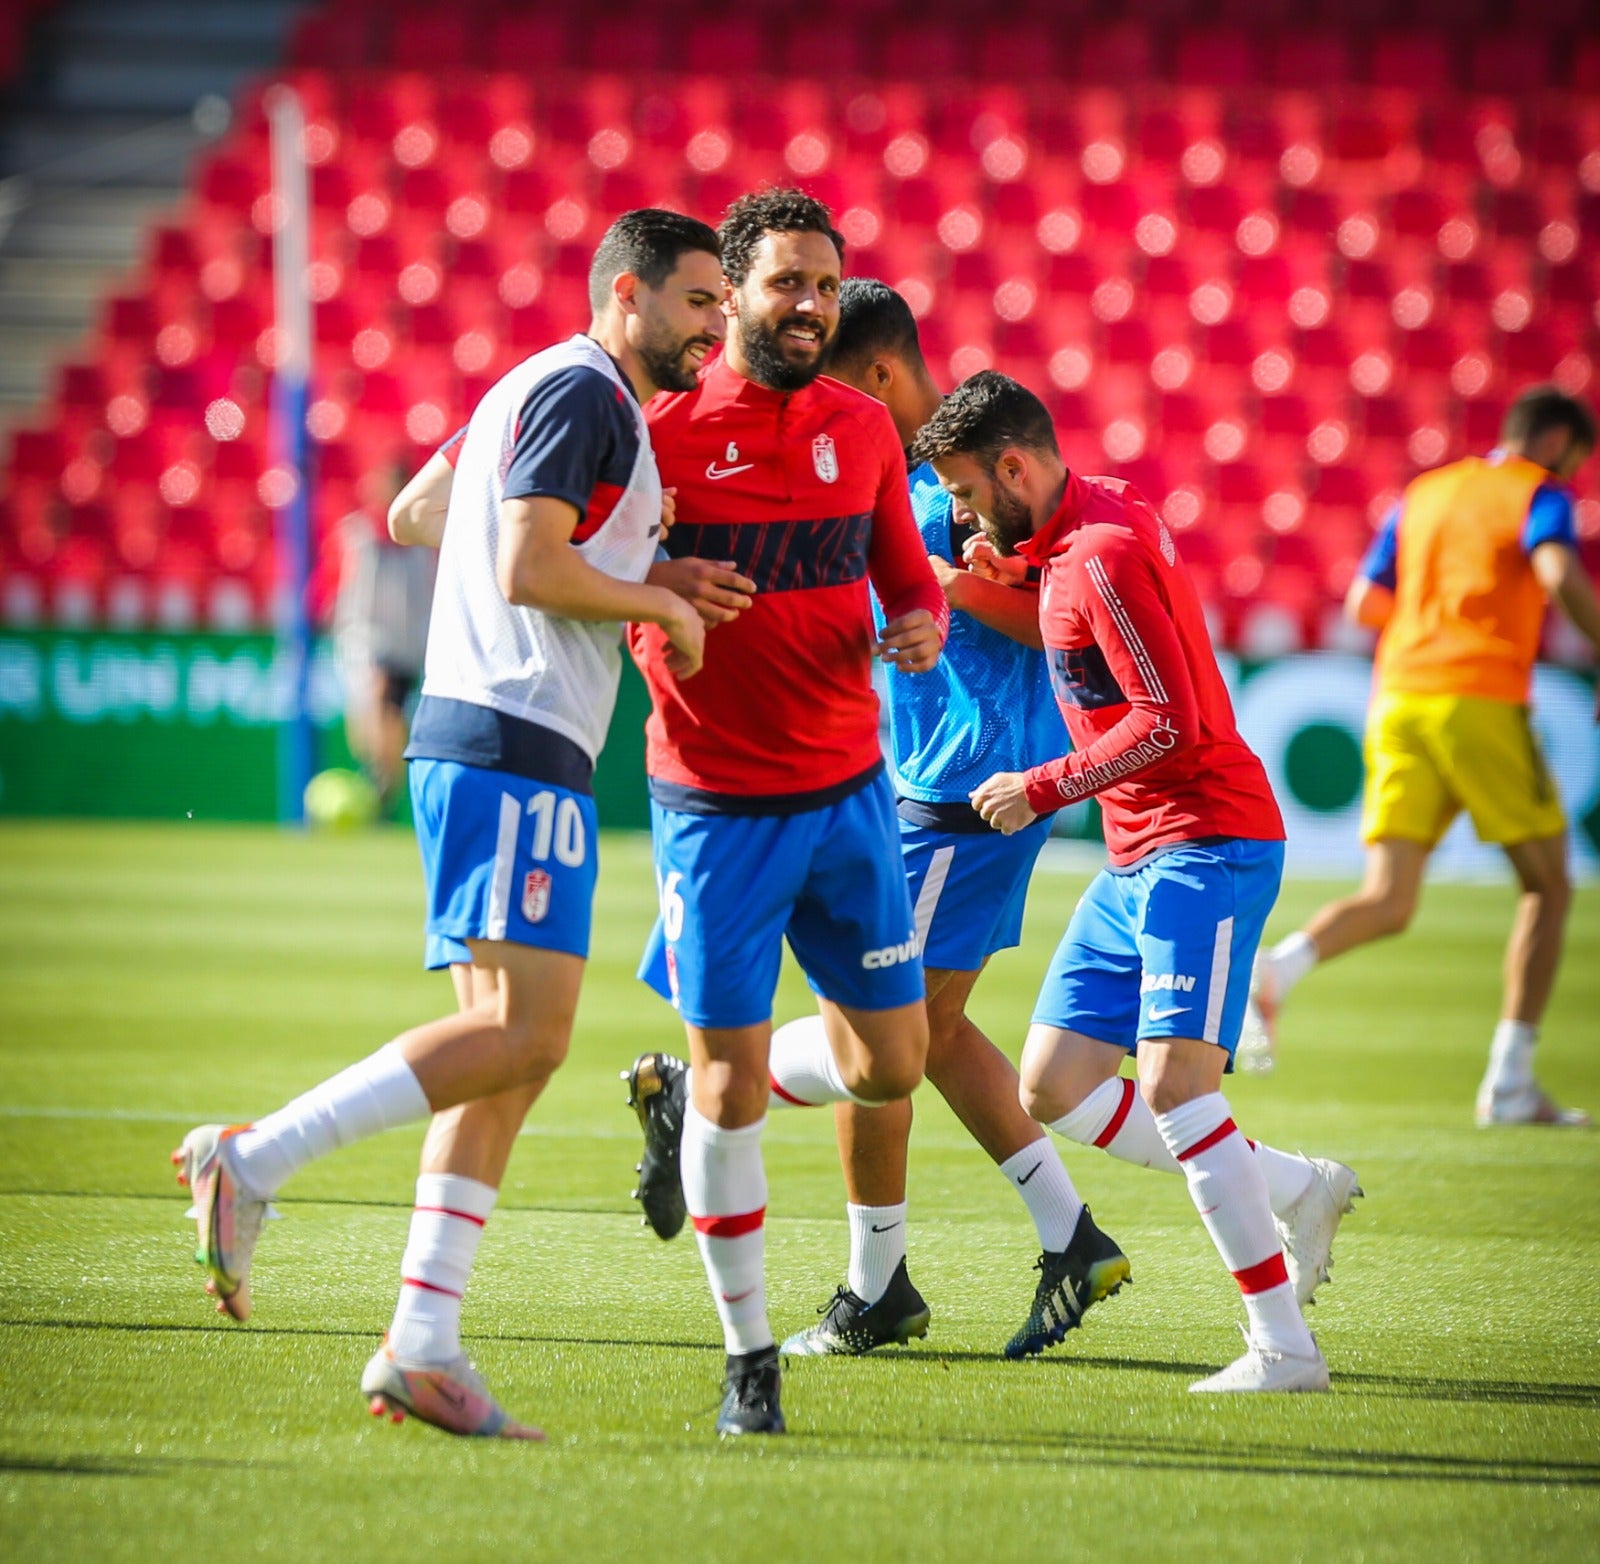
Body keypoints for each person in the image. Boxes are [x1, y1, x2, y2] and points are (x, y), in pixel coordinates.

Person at [170, 208, 726, 1439]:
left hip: (483, 731)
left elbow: (426, 512)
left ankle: (422, 1342)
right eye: (697, 303)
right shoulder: (592, 395)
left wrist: (627, 557)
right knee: (528, 1032)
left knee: (508, 1050)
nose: (714, 328)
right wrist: (656, 599)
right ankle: (250, 1161)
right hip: (517, 736)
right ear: (626, 294)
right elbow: (529, 567)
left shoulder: (526, 384)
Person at [629, 278, 1131, 1361]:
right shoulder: (901, 471)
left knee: (886, 1033)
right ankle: (1066, 1236)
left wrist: (943, 588)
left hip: (962, 784)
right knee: (927, 1034)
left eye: (832, 379)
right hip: (910, 777)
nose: (810, 403)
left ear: (881, 375)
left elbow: (1043, 604)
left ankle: (863, 1265)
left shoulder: (932, 481)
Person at [910, 370, 1360, 1393]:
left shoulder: (1099, 557)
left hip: (1202, 840)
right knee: (1054, 1085)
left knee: (1172, 1086)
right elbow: (1072, 620)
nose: (964, 516)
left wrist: (1041, 785)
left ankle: (1282, 1347)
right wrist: (992, 574)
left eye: (971, 496)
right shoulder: (1092, 524)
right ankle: (1295, 1186)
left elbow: (1169, 722)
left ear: (1014, 466)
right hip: (1136, 854)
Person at [623, 191, 949, 1436]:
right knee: (733, 1089)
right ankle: (749, 1352)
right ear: (734, 294)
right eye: (782, 283)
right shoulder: (659, 431)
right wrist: (660, 597)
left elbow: (901, 581)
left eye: (823, 284)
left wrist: (913, 626)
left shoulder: (865, 428)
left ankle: (686, 1093)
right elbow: (596, 574)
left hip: (850, 794)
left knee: (889, 1065)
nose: (806, 303)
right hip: (715, 805)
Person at [1244, 386, 1600, 1125]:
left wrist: (1432, 616)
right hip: (1480, 695)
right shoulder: (1539, 493)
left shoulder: (1426, 493)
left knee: (1390, 898)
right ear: (1559, 441)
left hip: (1400, 696)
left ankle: (1278, 966)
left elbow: (1364, 606)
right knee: (1548, 885)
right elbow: (1560, 574)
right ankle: (1509, 1083)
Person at [334, 457, 437, 814]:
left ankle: (384, 785)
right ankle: (378, 778)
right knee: (371, 712)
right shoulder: (360, 532)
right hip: (367, 638)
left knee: (391, 711)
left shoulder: (419, 535)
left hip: (406, 641)